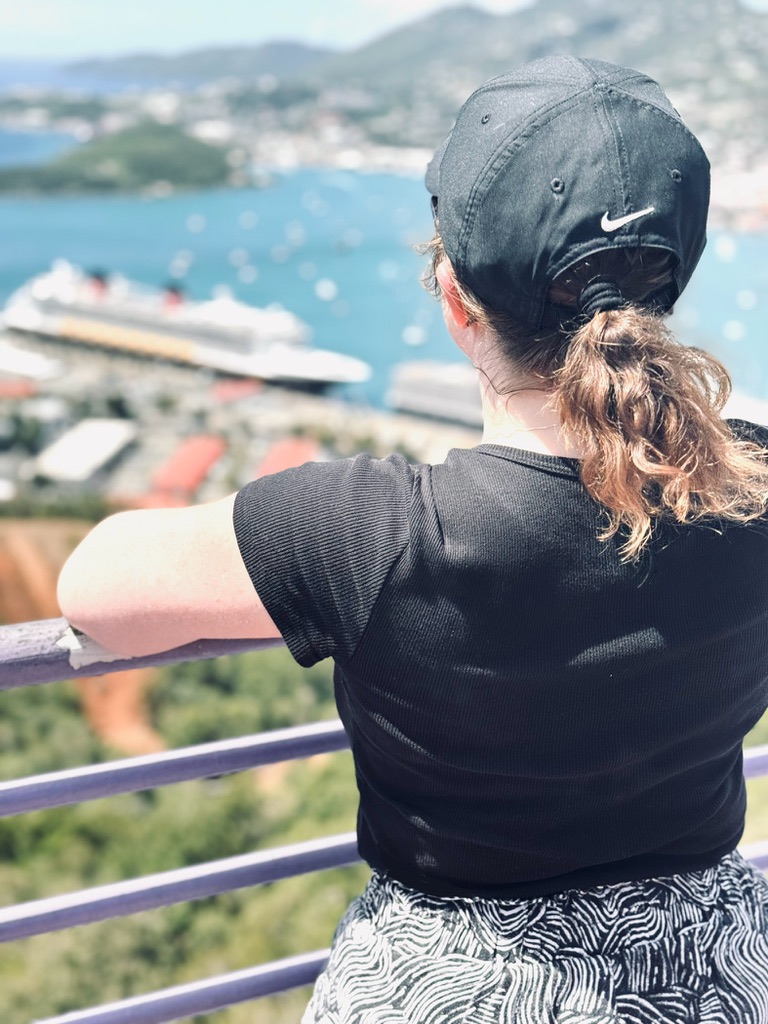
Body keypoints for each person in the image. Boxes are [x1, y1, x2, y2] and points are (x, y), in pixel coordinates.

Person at [58, 56, 768, 1023]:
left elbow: (93, 588)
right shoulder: (753, 482)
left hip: (454, 982)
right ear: (668, 289)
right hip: (716, 970)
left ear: (453, 302)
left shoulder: (371, 528)